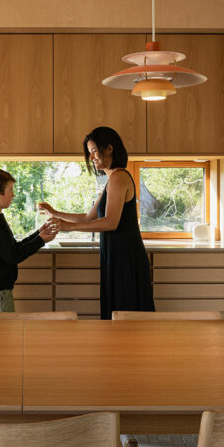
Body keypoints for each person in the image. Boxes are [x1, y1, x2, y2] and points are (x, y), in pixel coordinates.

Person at [39, 126, 155, 319]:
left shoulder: (119, 177)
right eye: (90, 152)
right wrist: (55, 212)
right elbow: (88, 217)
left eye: (94, 151)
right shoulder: (112, 180)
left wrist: (70, 227)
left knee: (127, 318)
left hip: (126, 257)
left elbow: (110, 223)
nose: (91, 157)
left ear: (109, 148)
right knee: (119, 316)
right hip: (117, 256)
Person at [0, 168, 58, 312]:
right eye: (10, 190)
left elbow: (13, 248)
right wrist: (40, 240)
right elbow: (13, 256)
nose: (13, 195)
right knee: (1, 332)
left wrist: (38, 234)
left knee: (2, 332)